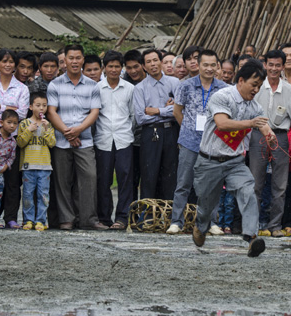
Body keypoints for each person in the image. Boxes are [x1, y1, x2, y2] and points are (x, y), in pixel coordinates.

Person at [190, 61, 276, 257]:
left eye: (259, 87)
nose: (256, 90)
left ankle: (251, 237)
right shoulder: (221, 97)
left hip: (235, 162)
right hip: (209, 161)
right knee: (206, 205)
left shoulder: (254, 106)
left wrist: (269, 137)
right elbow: (222, 124)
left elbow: (263, 126)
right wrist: (251, 123)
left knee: (248, 191)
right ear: (241, 80)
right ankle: (201, 226)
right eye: (253, 85)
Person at [249, 49, 291, 237]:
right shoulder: (257, 85)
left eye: (277, 65)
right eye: (270, 65)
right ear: (265, 65)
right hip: (258, 135)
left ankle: (275, 225)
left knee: (280, 184)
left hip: (281, 136)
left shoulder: (289, 89)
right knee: (256, 183)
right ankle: (254, 224)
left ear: (283, 66)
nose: (273, 69)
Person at [170, 50, 228, 235]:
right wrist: (187, 129)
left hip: (214, 143)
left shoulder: (224, 88)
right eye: (206, 65)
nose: (209, 68)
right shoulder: (185, 86)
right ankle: (176, 222)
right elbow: (177, 111)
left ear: (217, 66)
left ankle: (211, 222)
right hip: (189, 141)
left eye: (213, 65)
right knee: (183, 183)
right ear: (198, 65)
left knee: (212, 185)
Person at [47, 45, 103, 231]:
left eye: (78, 58)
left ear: (83, 59)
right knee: (63, 181)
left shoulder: (93, 85)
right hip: (62, 139)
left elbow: (94, 112)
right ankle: (67, 219)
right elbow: (51, 111)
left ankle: (88, 219)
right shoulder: (55, 84)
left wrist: (78, 130)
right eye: (71, 58)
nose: (74, 61)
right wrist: (67, 132)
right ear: (65, 61)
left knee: (89, 177)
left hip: (84, 139)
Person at [94, 51, 135, 230]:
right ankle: (104, 217)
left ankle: (122, 217)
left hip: (124, 138)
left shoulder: (129, 88)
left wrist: (126, 131)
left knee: (125, 177)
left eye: (117, 66)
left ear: (122, 68)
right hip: (102, 138)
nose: (113, 69)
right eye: (110, 66)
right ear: (104, 68)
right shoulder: (96, 88)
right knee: (103, 179)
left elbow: (133, 115)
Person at [0, 49, 29, 229]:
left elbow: (21, 113)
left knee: (12, 181)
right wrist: (8, 108)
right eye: (4, 61)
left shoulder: (22, 88)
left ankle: (11, 217)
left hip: (12, 140)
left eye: (11, 61)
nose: (8, 64)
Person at [134, 49, 180, 202]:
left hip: (172, 131)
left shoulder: (174, 83)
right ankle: (147, 216)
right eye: (149, 62)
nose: (153, 64)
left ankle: (170, 216)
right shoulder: (140, 88)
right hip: (150, 133)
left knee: (170, 173)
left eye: (155, 60)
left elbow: (179, 110)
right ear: (143, 66)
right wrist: (168, 110)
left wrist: (156, 111)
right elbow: (141, 118)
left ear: (161, 61)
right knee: (149, 173)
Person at [16, 96, 56, 230]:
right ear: (31, 106)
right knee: (27, 194)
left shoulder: (48, 124)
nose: (41, 108)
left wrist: (45, 129)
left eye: (44, 105)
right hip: (28, 165)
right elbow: (20, 142)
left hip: (44, 166)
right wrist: (29, 130)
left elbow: (52, 143)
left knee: (43, 195)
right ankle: (28, 220)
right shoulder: (24, 124)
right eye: (38, 105)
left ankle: (41, 220)